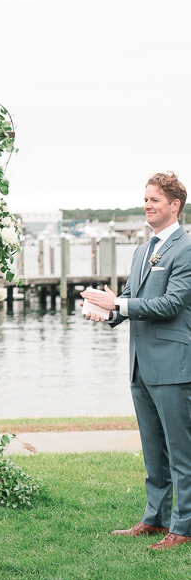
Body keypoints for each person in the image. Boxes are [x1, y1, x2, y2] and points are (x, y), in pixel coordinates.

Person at [82, 172, 191, 550]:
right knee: (153, 449)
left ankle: (183, 525)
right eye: (145, 199)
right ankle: (156, 518)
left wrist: (118, 303)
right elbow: (130, 299)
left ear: (175, 205)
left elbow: (172, 304)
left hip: (173, 364)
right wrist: (105, 311)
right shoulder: (142, 251)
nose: (147, 206)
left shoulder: (186, 248)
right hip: (140, 364)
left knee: (181, 451)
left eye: (154, 200)